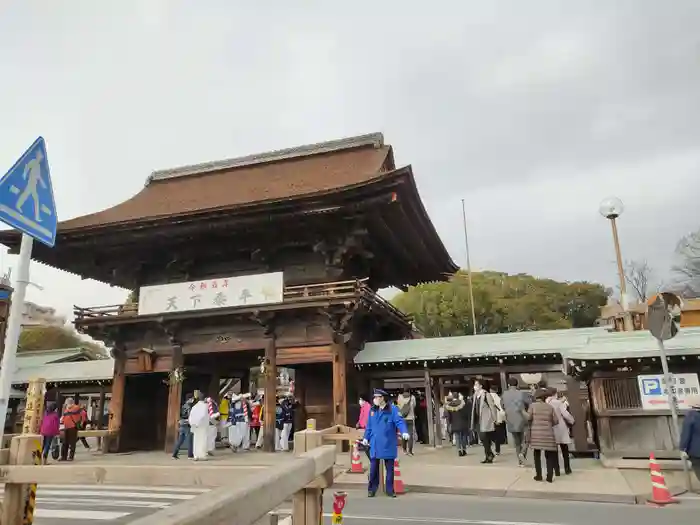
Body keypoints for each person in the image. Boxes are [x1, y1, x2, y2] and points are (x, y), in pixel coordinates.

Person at [362, 389, 409, 498]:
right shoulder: (373, 410)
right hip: (375, 444)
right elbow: (369, 426)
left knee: (390, 470)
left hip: (388, 443)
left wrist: (404, 431)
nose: (375, 400)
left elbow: (399, 421)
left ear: (382, 398)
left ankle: (390, 490)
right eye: (374, 397)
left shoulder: (393, 409)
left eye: (377, 397)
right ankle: (372, 489)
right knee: (373, 468)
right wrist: (366, 438)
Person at [528, 388, 559, 483]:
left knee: (537, 455)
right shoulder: (550, 407)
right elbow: (556, 421)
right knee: (549, 455)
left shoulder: (532, 406)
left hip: (536, 434)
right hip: (548, 434)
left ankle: (539, 475)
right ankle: (549, 476)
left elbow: (529, 418)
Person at [502, 377, 530, 466]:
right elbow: (529, 403)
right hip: (522, 418)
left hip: (510, 419)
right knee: (526, 440)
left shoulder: (504, 394)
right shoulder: (522, 393)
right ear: (517, 384)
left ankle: (520, 461)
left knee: (517, 442)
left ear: (509, 385)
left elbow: (502, 406)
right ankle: (522, 454)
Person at [547, 387, 574, 475]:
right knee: (564, 449)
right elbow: (565, 414)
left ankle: (557, 470)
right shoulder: (558, 403)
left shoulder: (546, 403)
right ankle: (567, 468)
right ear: (555, 394)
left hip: (550, 427)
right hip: (560, 426)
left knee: (554, 450)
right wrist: (572, 420)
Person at [471, 380, 498, 463]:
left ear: (481, 386)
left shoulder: (486, 395)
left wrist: (495, 419)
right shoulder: (475, 395)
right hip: (477, 420)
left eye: (476, 384)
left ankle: (489, 455)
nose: (475, 386)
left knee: (484, 437)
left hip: (486, 419)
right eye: (474, 384)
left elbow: (492, 407)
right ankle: (489, 455)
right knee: (483, 439)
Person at [680, 394, 700, 489]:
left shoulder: (691, 416)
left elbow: (686, 434)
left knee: (698, 468)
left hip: (695, 450)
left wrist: (683, 448)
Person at [172, 393, 195, 460]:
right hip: (187, 424)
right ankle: (190, 455)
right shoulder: (189, 407)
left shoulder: (183, 406)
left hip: (181, 424)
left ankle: (174, 454)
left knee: (180, 440)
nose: (192, 400)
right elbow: (190, 416)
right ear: (189, 399)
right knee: (190, 440)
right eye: (192, 398)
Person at [189, 395, 211, 461]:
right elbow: (203, 415)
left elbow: (191, 416)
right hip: (202, 426)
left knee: (196, 441)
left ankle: (196, 455)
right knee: (203, 440)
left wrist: (193, 424)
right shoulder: (205, 406)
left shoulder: (194, 406)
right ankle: (202, 455)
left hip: (195, 426)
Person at [396, 388, 417, 455]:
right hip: (410, 418)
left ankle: (404, 450)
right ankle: (410, 451)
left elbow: (398, 406)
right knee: (410, 434)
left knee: (403, 433)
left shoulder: (400, 397)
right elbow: (414, 406)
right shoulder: (412, 397)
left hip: (402, 418)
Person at [356, 394, 372, 460]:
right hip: (364, 428)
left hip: (367, 429)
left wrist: (364, 427)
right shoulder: (363, 407)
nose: (359, 401)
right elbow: (361, 417)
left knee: (367, 446)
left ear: (364, 400)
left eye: (360, 399)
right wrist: (358, 423)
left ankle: (373, 460)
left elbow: (367, 419)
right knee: (366, 446)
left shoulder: (367, 407)